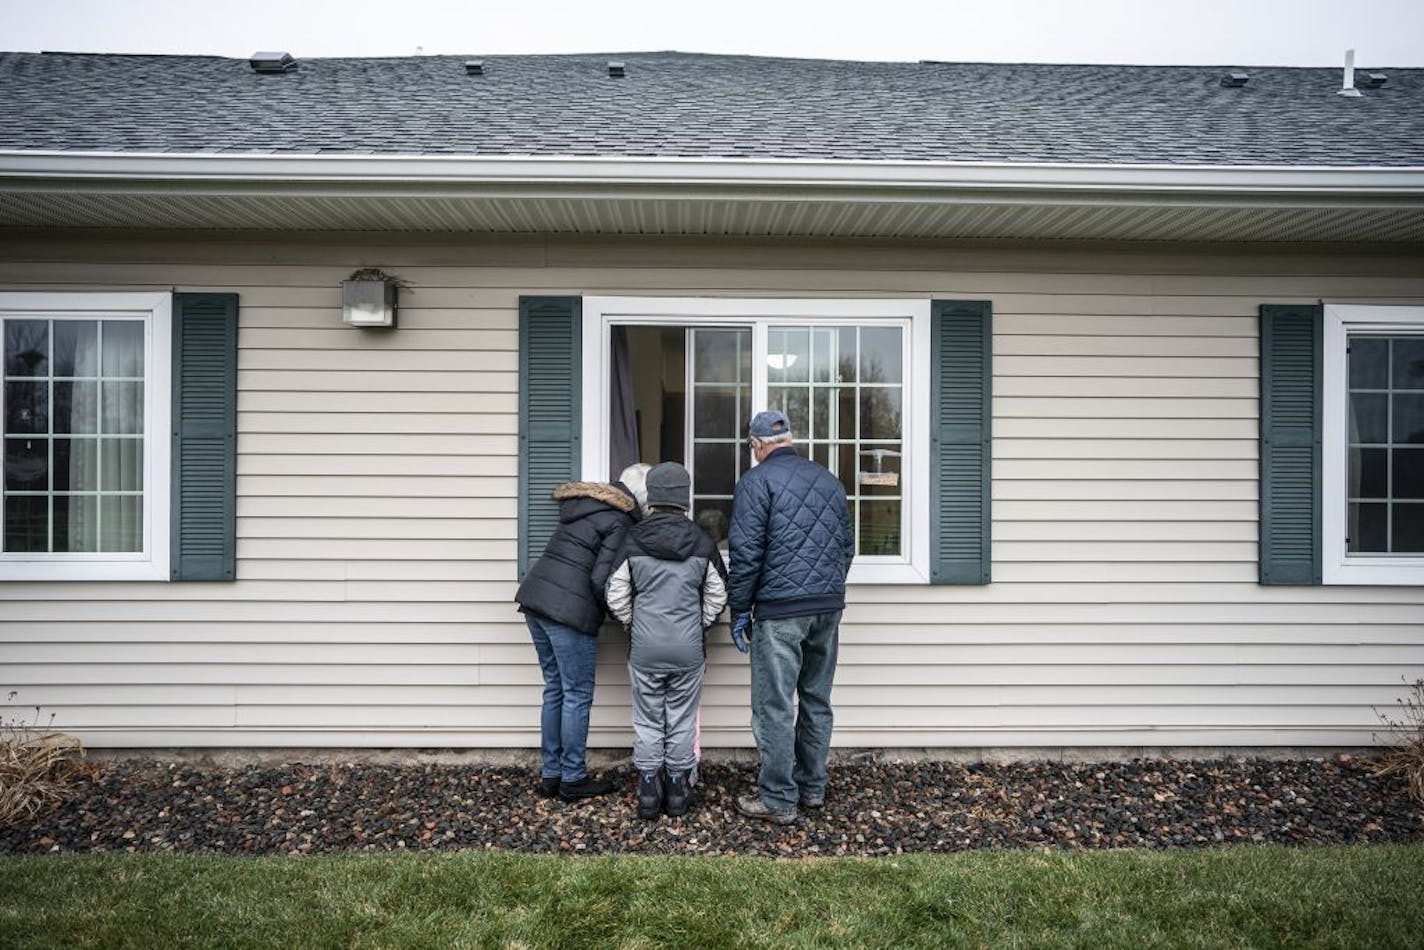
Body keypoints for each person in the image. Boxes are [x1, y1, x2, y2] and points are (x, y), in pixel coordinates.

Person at [726, 409, 855, 824]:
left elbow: (746, 556)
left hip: (780, 610)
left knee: (774, 705)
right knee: (817, 698)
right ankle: (812, 787)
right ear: (789, 441)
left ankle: (779, 798)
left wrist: (739, 609)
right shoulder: (829, 481)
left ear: (757, 445)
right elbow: (846, 548)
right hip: (827, 606)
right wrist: (829, 589)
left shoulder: (755, 482)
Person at [605, 462, 728, 820]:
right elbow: (718, 595)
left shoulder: (632, 539)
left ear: (653, 497)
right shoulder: (702, 541)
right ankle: (676, 790)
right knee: (681, 717)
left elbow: (615, 594)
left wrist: (634, 624)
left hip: (645, 647)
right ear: (684, 498)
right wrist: (699, 625)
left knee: (647, 718)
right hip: (688, 647)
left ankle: (647, 790)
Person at [514, 471, 641, 801]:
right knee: (576, 693)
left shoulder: (584, 509)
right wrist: (622, 614)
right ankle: (572, 778)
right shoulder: (620, 521)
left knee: (555, 688)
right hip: (567, 611)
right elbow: (603, 579)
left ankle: (551, 774)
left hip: (536, 599)